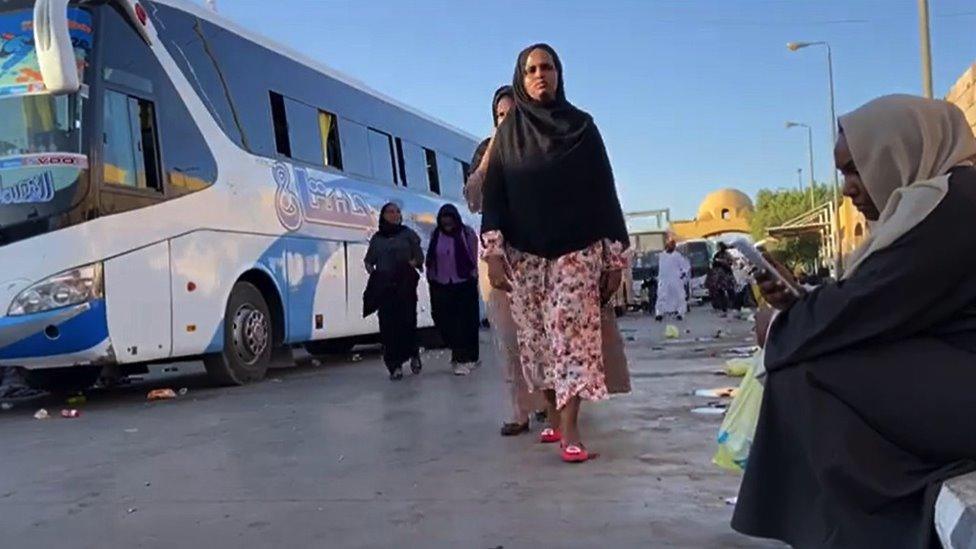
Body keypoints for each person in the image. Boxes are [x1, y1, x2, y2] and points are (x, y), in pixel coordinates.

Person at [732, 95, 976, 548]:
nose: (848, 188)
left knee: (805, 371)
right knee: (808, 359)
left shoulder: (949, 204)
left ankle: (874, 528)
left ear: (898, 151)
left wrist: (783, 325)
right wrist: (801, 307)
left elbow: (869, 305)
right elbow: (878, 303)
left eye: (855, 168)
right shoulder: (943, 201)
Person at [481, 43, 629, 462]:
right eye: (531, 70)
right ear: (520, 78)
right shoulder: (509, 134)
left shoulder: (582, 128)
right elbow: (494, 196)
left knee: (570, 336)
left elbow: (605, 191)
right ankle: (551, 414)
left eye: (547, 67)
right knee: (536, 341)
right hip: (525, 254)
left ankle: (571, 430)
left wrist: (615, 259)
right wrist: (493, 254)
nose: (540, 75)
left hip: (577, 249)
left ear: (560, 73)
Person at [466, 85, 544, 436]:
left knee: (541, 335)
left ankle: (548, 402)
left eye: (514, 113)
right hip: (497, 257)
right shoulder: (487, 151)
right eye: (500, 115)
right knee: (508, 339)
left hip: (538, 256)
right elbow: (473, 197)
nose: (507, 120)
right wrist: (497, 144)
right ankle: (518, 410)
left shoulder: (543, 147)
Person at [364, 202, 424, 381]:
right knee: (388, 326)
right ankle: (394, 365)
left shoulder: (408, 235)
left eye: (397, 212)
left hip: (404, 286)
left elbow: (419, 256)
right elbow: (369, 260)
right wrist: (376, 275)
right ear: (383, 215)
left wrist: (410, 265)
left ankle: (413, 355)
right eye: (390, 212)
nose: (394, 215)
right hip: (386, 288)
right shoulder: (377, 238)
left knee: (407, 322)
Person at [427, 204, 481, 376]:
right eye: (444, 221)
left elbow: (473, 255)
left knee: (464, 323)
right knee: (443, 320)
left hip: (463, 282)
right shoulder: (435, 235)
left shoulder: (467, 233)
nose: (447, 224)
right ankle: (459, 353)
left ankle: (462, 358)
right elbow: (432, 256)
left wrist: (474, 275)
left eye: (450, 221)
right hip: (441, 283)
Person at [655, 239, 689, 321]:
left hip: (676, 279)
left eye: (673, 245)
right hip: (664, 279)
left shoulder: (678, 256)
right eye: (670, 244)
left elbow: (685, 267)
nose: (672, 246)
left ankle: (680, 313)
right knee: (661, 296)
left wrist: (683, 274)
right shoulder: (662, 255)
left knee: (679, 296)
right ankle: (659, 313)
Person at [706, 242, 736, 316]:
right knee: (720, 292)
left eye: (718, 246)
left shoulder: (727, 254)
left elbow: (731, 262)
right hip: (719, 277)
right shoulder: (717, 254)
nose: (717, 248)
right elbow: (713, 265)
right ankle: (724, 309)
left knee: (730, 291)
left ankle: (735, 307)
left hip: (726, 276)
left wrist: (722, 262)